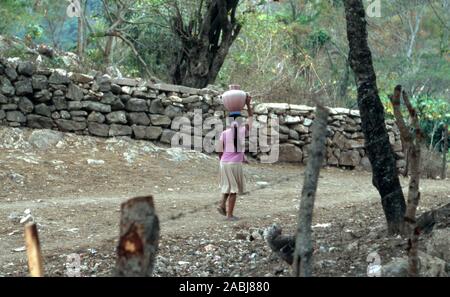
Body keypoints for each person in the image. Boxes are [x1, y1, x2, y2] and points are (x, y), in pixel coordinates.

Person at [217, 93, 253, 221]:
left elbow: (219, 149)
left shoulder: (224, 133)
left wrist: (221, 160)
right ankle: (229, 215)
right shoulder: (243, 130)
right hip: (234, 165)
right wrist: (248, 104)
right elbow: (251, 118)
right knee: (233, 190)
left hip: (224, 163)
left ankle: (221, 204)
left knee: (229, 186)